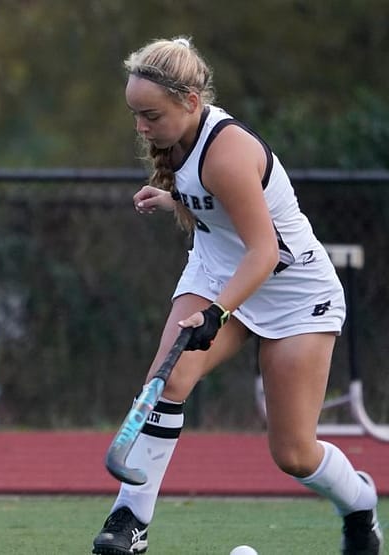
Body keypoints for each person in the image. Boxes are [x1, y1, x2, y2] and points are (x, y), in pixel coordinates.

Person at [91, 37, 382, 555]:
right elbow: (214, 204)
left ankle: (359, 503)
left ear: (190, 103)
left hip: (294, 294)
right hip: (218, 271)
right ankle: (129, 522)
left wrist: (216, 315)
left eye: (150, 115)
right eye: (135, 114)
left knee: (294, 453)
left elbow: (265, 251)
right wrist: (172, 196)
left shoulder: (227, 152)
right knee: (169, 379)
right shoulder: (177, 139)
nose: (141, 127)